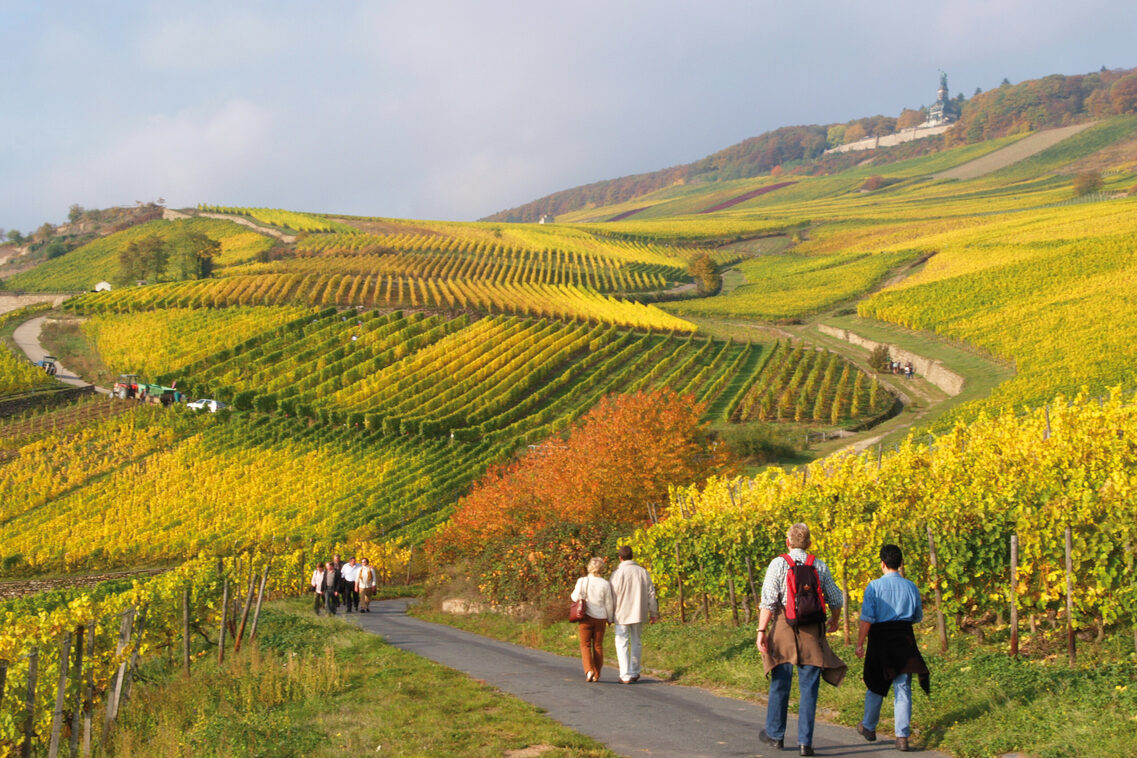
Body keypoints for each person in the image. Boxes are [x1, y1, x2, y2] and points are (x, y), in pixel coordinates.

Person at [757, 523, 846, 757]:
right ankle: (805, 743)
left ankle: (775, 735)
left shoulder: (778, 564)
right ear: (809, 543)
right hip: (812, 632)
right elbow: (836, 599)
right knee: (809, 689)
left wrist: (761, 630)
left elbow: (768, 601)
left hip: (784, 629)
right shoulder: (819, 565)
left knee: (780, 682)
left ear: (788, 542)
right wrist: (834, 621)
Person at [855, 544, 930, 753]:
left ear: (882, 563)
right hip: (904, 637)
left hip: (880, 638)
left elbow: (867, 618)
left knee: (876, 683)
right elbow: (917, 616)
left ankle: (869, 727)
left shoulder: (874, 587)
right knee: (903, 686)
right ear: (901, 563)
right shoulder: (911, 587)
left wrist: (860, 643)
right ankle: (902, 736)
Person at [609, 546, 658, 684]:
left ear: (620, 557)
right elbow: (651, 594)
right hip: (638, 611)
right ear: (632, 556)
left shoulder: (617, 574)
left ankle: (625, 674)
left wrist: (609, 614)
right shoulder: (643, 572)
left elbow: (611, 596)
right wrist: (653, 612)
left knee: (621, 642)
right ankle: (635, 671)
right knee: (636, 641)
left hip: (621, 612)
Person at [571, 557, 616, 682]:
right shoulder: (605, 584)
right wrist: (610, 618)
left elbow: (574, 597)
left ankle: (589, 670)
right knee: (598, 645)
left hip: (585, 617)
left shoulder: (582, 581)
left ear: (589, 567)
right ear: (602, 569)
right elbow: (609, 603)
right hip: (601, 618)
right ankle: (597, 673)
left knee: (585, 645)